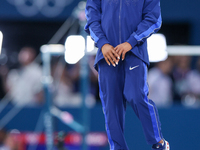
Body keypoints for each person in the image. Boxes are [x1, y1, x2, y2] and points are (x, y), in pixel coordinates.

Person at [85, 0, 170, 149]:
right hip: (107, 54)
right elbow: (92, 18)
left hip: (134, 52)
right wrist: (103, 43)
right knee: (111, 106)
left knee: (136, 95)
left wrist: (131, 41)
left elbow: (153, 18)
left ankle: (159, 142)